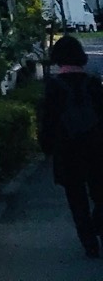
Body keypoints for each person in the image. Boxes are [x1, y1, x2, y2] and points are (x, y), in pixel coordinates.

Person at [41, 34, 103, 256]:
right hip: (97, 149)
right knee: (100, 193)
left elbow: (47, 120)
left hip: (67, 151)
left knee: (77, 200)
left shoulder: (54, 87)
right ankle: (99, 225)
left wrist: (47, 148)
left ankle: (89, 244)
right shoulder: (94, 83)